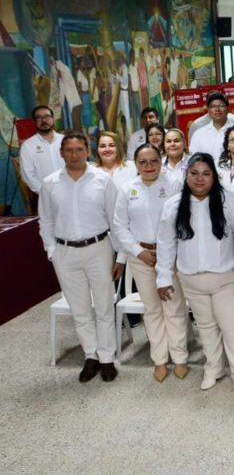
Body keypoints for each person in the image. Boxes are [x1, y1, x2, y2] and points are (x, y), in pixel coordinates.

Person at [156, 153, 234, 392]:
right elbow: (166, 244)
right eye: (194, 173)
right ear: (186, 175)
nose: (200, 179)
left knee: (232, 327)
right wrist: (163, 277)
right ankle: (214, 368)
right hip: (191, 279)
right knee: (206, 328)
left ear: (214, 177)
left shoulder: (229, 200)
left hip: (226, 278)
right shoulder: (173, 205)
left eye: (206, 174)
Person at [39, 131, 120, 382]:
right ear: (61, 153)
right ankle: (91, 356)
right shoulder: (50, 183)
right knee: (80, 308)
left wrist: (120, 256)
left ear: (88, 151)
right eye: (69, 150)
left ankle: (107, 358)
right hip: (65, 253)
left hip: (99, 249)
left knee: (104, 305)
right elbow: (46, 220)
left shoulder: (102, 180)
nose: (74, 155)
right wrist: (52, 251)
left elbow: (115, 219)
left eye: (79, 150)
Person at [112, 144, 189, 383]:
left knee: (174, 307)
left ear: (160, 161)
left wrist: (167, 252)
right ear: (135, 164)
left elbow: (183, 219)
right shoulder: (127, 189)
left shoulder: (174, 184)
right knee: (153, 309)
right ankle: (159, 360)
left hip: (170, 257)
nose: (149, 166)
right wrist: (138, 251)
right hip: (141, 257)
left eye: (154, 160)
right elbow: (119, 226)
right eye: (143, 162)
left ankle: (180, 358)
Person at [19, 105, 65, 206]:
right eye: (39, 118)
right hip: (46, 199)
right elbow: (27, 175)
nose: (43, 120)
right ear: (34, 122)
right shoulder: (28, 145)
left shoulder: (65, 140)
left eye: (47, 116)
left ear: (53, 119)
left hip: (71, 192)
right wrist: (45, 193)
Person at [189, 92, 234, 159]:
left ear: (228, 109)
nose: (217, 109)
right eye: (213, 106)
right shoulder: (199, 134)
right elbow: (193, 158)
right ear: (208, 110)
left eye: (221, 106)